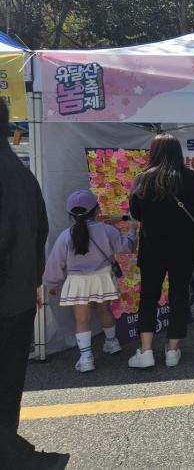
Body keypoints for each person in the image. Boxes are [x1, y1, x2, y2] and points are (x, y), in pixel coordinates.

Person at [0, 99, 69, 469]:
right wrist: (34, 282)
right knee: (8, 385)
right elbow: (40, 229)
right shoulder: (21, 172)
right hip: (19, 297)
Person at [128, 133, 194, 369]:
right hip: (184, 247)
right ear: (178, 152)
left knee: (148, 297)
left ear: (154, 152)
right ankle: (173, 351)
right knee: (180, 296)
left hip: (152, 247)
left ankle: (146, 351)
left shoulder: (142, 179)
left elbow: (135, 212)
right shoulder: (192, 178)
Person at [44, 190, 137, 372]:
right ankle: (112, 343)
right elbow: (126, 247)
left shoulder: (65, 236)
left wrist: (52, 283)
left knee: (82, 319)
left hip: (77, 281)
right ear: (97, 210)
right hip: (102, 277)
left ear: (71, 214)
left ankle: (86, 358)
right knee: (105, 310)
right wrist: (132, 230)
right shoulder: (107, 230)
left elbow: (56, 262)